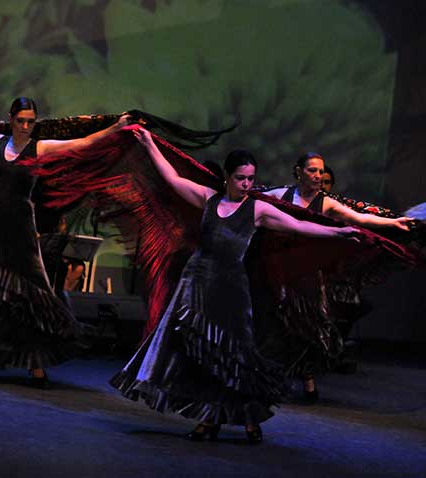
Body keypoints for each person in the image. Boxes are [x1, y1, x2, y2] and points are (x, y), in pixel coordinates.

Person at [110, 130, 359, 443]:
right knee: (200, 355)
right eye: (241, 178)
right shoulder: (208, 199)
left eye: (251, 179)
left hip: (231, 289)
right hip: (197, 285)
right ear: (227, 176)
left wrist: (337, 233)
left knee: (234, 356)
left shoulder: (257, 209)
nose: (247, 184)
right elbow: (172, 179)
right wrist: (148, 144)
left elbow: (298, 225)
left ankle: (249, 421)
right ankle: (208, 420)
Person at [0, 97, 129, 387]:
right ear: (11, 119)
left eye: (31, 121)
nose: (26, 126)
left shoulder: (39, 148)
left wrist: (116, 128)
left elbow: (82, 144)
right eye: (21, 120)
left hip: (19, 231)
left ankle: (35, 364)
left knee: (28, 296)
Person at [263, 152, 413, 399]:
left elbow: (359, 217)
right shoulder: (280, 196)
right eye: (312, 170)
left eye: (320, 171)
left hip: (309, 273)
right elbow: (249, 201)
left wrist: (392, 223)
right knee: (278, 325)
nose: (318, 176)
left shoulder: (326, 203)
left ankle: (308, 380)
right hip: (281, 271)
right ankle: (273, 379)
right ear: (298, 171)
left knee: (311, 327)